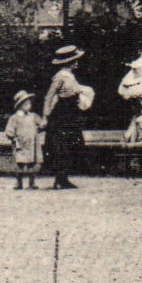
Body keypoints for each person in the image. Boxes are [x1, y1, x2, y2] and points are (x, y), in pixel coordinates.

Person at [42, 45, 91, 190]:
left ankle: (64, 178)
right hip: (62, 113)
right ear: (69, 62)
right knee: (60, 145)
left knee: (70, 144)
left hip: (71, 112)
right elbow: (49, 96)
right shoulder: (60, 76)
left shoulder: (70, 76)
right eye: (74, 60)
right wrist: (46, 116)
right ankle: (60, 178)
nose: (77, 63)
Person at [4, 91, 43, 191]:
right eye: (26, 104)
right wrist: (12, 136)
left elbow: (41, 124)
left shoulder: (33, 116)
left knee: (32, 163)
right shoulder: (14, 118)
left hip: (32, 144)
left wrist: (41, 126)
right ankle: (19, 182)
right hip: (20, 144)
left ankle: (32, 182)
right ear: (20, 106)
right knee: (19, 164)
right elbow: (9, 130)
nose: (28, 106)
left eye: (29, 104)